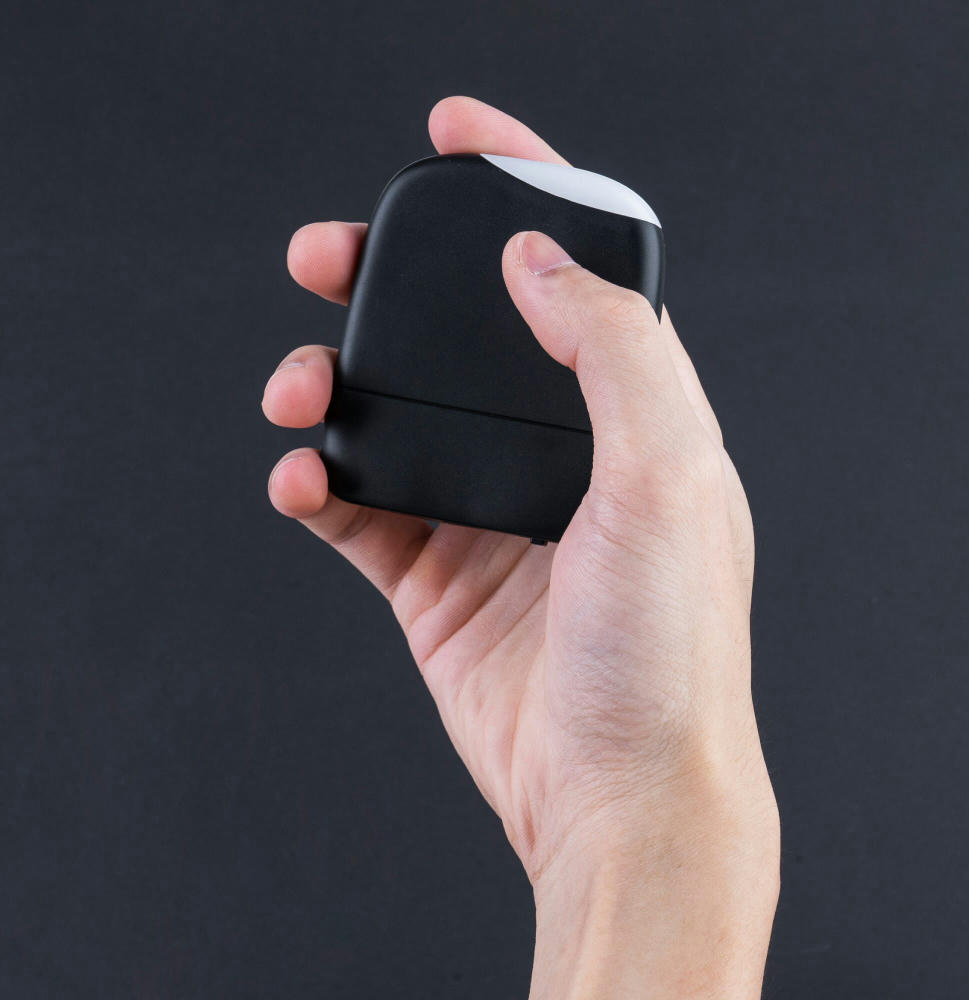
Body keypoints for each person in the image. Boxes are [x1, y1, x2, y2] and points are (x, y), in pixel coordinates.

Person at [262, 96, 780, 999]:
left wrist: (638, 799)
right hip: (468, 494)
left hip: (459, 487)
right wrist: (640, 816)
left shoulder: (440, 207)